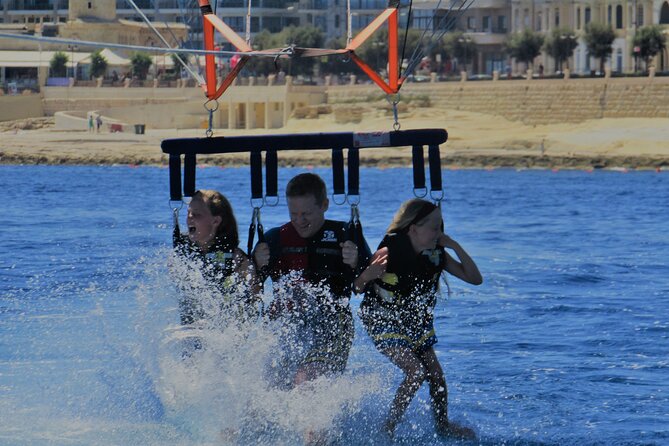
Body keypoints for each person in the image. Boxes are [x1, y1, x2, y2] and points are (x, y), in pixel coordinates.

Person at [354, 198, 482, 439]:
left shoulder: (436, 255)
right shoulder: (388, 252)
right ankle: (388, 428)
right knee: (415, 372)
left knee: (436, 376)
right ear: (413, 229)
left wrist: (452, 244)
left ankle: (443, 425)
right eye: (434, 228)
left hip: (415, 320)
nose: (439, 233)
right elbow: (358, 287)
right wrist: (367, 275)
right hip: (381, 318)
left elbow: (475, 279)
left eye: (441, 227)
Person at [253, 173, 370, 387]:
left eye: (306, 214)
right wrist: (257, 266)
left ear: (324, 205)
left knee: (305, 379)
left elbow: (365, 287)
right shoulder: (274, 238)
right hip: (286, 324)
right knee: (268, 385)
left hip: (333, 324)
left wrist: (355, 263)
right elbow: (252, 289)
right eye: (293, 214)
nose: (299, 221)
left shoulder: (346, 234)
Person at [172, 189, 260, 327]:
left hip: (224, 332)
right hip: (190, 330)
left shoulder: (236, 259)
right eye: (188, 213)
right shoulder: (183, 252)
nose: (189, 217)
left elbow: (254, 299)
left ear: (215, 221)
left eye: (196, 214)